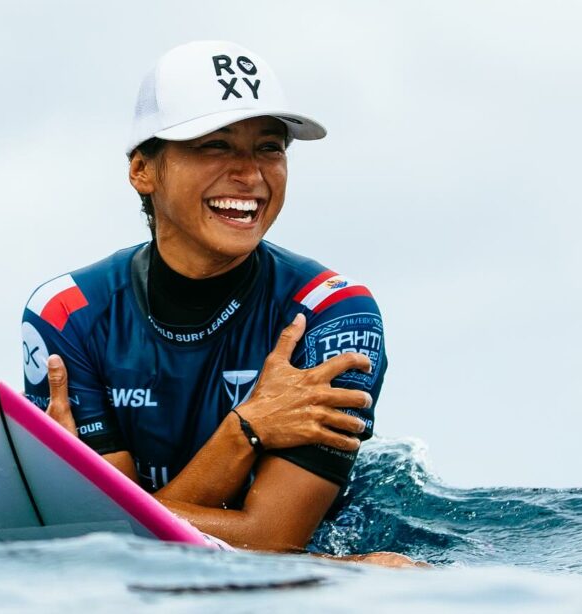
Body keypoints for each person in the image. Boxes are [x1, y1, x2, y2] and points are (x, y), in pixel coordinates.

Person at [22, 41, 412, 565]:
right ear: (143, 170)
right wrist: (247, 427)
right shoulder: (66, 313)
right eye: (215, 146)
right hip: (220, 571)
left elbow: (272, 536)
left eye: (269, 148)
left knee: (387, 573)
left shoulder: (335, 314)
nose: (250, 175)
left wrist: (94, 518)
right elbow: (112, 558)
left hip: (304, 572)